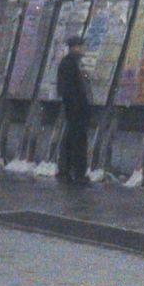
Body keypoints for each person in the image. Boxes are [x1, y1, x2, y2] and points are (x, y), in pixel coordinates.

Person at [55, 34, 93, 185]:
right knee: (77, 140)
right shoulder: (70, 64)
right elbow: (69, 89)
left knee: (72, 138)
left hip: (75, 108)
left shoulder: (72, 62)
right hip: (76, 108)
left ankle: (68, 170)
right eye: (82, 46)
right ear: (75, 47)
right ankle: (76, 172)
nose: (84, 49)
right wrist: (77, 106)